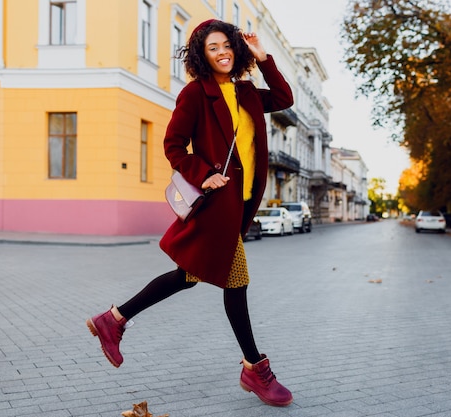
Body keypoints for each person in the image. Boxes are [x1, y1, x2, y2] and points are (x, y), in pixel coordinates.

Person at [86, 19, 294, 407]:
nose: (222, 53)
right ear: (203, 55)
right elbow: (174, 145)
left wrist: (264, 59)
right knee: (236, 282)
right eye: (213, 48)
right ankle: (255, 369)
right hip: (217, 204)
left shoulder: (247, 93)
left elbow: (283, 99)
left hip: (242, 203)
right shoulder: (196, 94)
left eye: (226, 45)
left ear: (236, 47)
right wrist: (206, 174)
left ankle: (113, 319)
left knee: (188, 276)